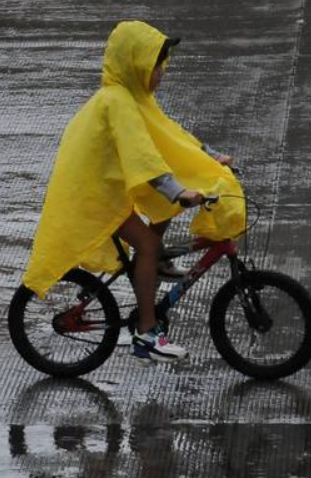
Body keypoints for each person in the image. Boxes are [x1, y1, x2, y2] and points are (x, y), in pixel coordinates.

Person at [22, 20, 245, 364]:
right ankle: (147, 332)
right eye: (156, 65)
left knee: (163, 207)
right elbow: (142, 154)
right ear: (134, 64)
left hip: (104, 190)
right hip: (94, 198)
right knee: (149, 242)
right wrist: (177, 191)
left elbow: (171, 136)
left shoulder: (131, 98)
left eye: (162, 66)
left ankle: (153, 266)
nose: (161, 73)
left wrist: (212, 158)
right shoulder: (117, 102)